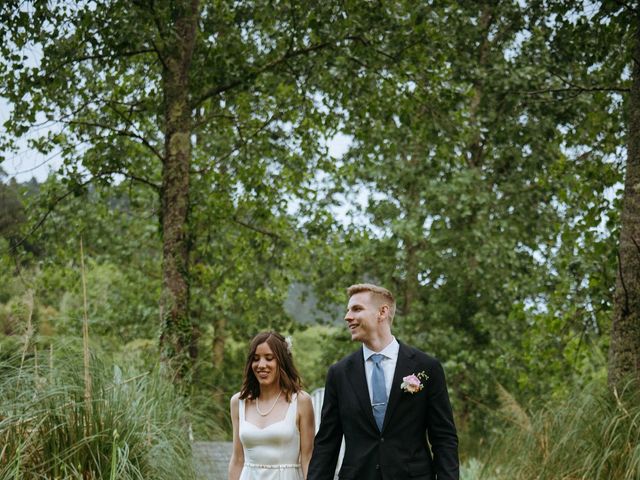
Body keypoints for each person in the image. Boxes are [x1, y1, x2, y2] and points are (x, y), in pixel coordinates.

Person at [308, 283, 459, 480]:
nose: (347, 317)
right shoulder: (339, 373)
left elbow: (444, 438)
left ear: (382, 312)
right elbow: (327, 443)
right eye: (348, 310)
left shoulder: (426, 367)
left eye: (357, 309)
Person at [229, 331, 315, 480]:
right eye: (256, 359)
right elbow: (237, 459)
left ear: (282, 362)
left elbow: (307, 459)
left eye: (269, 358)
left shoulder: (301, 401)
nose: (261, 365)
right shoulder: (238, 402)